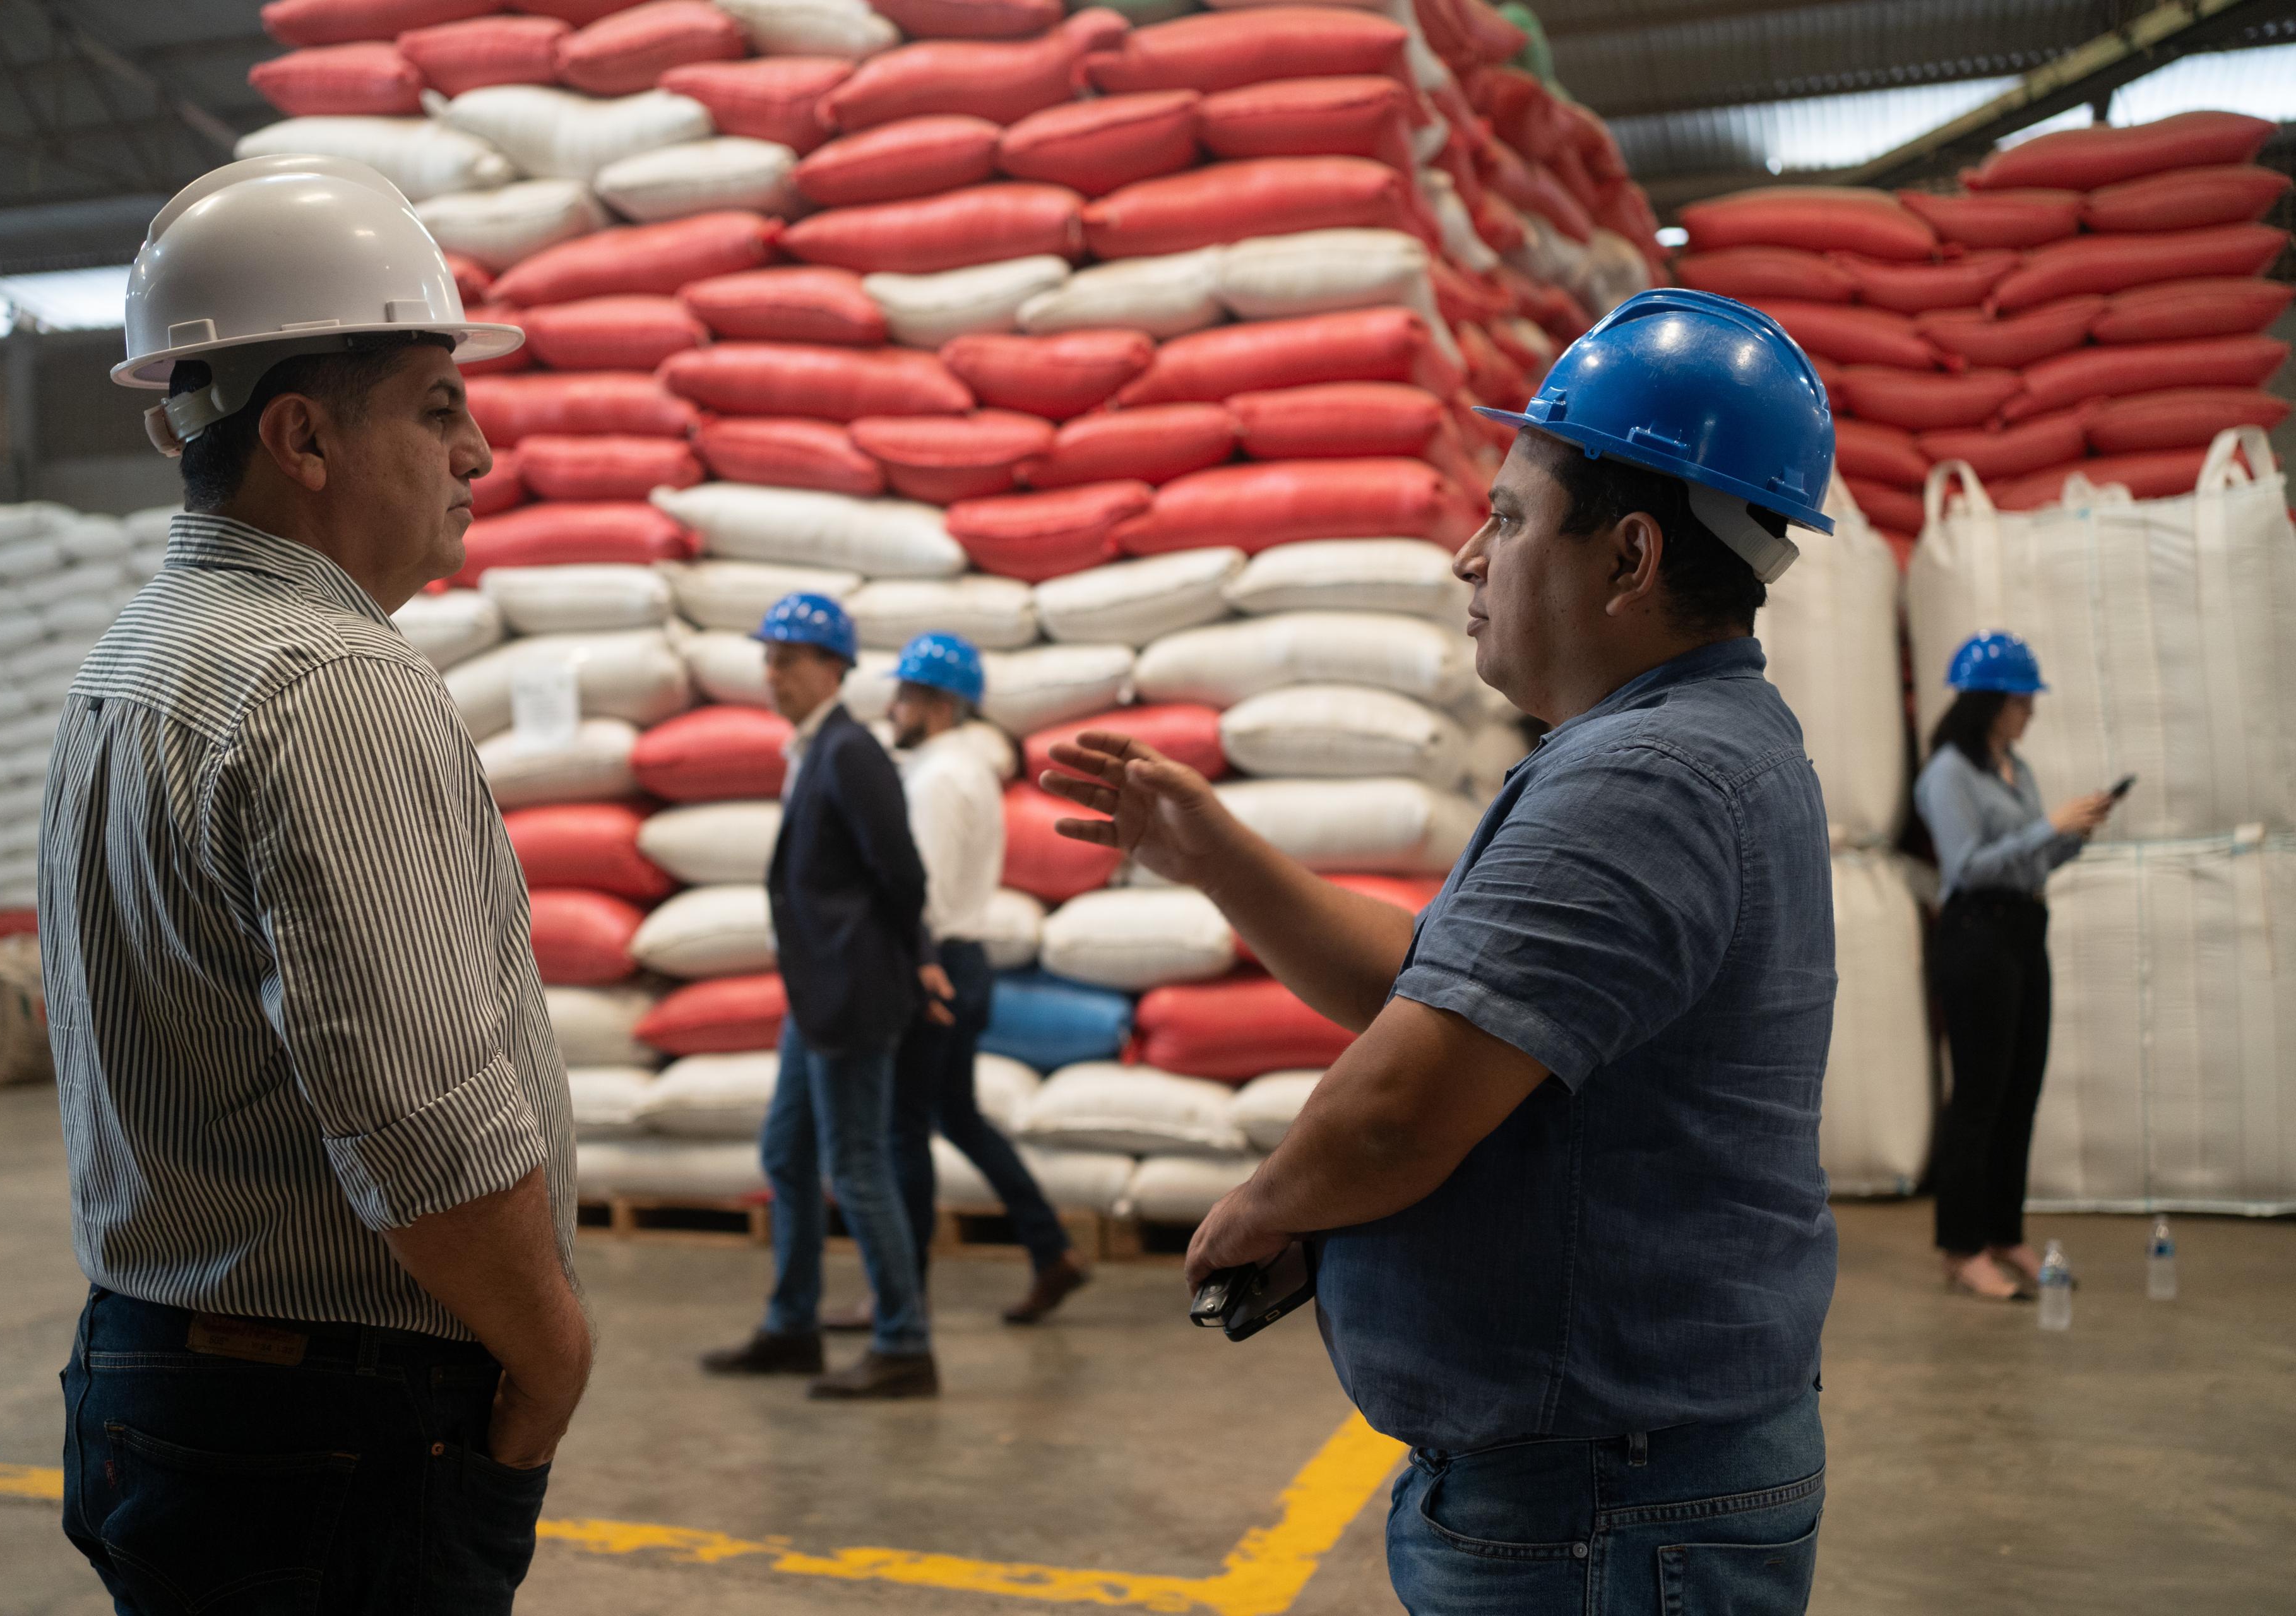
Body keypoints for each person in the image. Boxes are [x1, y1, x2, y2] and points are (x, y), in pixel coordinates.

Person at [1042, 289, 1841, 1615]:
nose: (1471, 556)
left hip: (1599, 1507)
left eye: (1514, 517)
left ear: (1629, 558)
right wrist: (1214, 852)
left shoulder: (1642, 779)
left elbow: (1400, 1106)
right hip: (1625, 1483)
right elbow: (1453, 988)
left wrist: (1268, 1209)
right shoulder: (1694, 747)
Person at [45, 156, 585, 1614]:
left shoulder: (136, 659)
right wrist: (550, 1354)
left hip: (164, 1374)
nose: (477, 448)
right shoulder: (322, 683)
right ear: (299, 435)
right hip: (325, 1425)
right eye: (436, 404)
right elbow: (420, 1124)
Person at [701, 594, 951, 1399]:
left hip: (847, 996)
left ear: (833, 667)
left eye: (789, 658)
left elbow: (905, 875)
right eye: (768, 657)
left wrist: (876, 961)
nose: (772, 672)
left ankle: (905, 1343)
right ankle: (791, 1327)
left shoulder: (850, 753)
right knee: (787, 1153)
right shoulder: (812, 750)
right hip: (814, 996)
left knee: (858, 1165)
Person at [865, 633, 1090, 1326]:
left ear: (934, 702)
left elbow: (920, 892)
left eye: (903, 694)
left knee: (903, 1128)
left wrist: (911, 967)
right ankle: (1051, 1250)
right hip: (968, 960)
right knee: (955, 1115)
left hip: (934, 960)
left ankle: (902, 1297)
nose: (892, 706)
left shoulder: (935, 778)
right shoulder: (965, 768)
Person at [1913, 633, 2114, 1301]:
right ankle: (1961, 1248)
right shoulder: (1948, 773)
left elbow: (2027, 861)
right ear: (1991, 701)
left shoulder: (2015, 769)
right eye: (2022, 701)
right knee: (1980, 1093)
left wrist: (2069, 835)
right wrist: (2044, 826)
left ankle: (2005, 1233)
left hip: (2025, 931)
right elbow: (1966, 865)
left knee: (2021, 1088)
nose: (2030, 713)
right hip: (1976, 938)